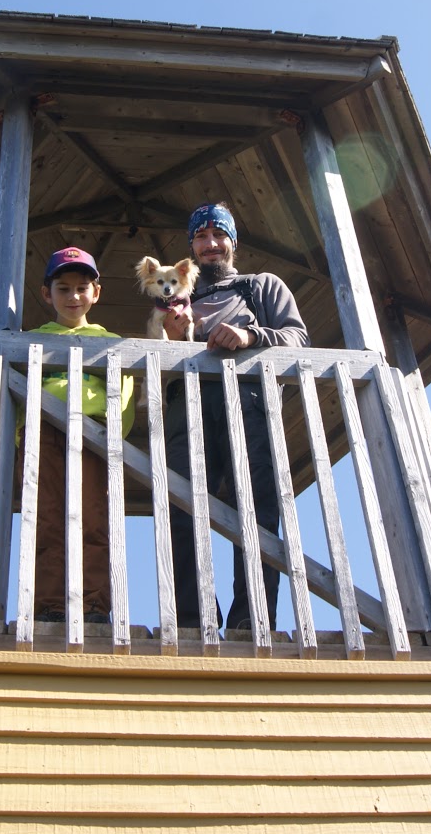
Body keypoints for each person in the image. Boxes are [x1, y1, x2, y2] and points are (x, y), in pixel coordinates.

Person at [161, 203, 309, 631]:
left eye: (218, 235)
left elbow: (298, 338)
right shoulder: (174, 298)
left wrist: (249, 335)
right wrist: (172, 338)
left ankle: (252, 619)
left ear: (233, 242)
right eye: (201, 237)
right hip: (185, 408)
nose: (210, 244)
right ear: (191, 246)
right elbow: (155, 365)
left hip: (248, 405)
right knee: (182, 508)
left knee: (257, 506)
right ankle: (193, 620)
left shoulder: (261, 286)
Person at [19, 246, 134, 624]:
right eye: (63, 288)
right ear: (46, 294)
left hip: (93, 438)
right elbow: (15, 390)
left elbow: (125, 392)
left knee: (94, 520)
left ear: (96, 293)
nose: (73, 296)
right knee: (47, 519)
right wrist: (21, 434)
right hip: (43, 436)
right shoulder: (33, 339)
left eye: (82, 288)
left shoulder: (109, 340)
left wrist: (112, 434)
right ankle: (50, 604)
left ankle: (93, 605)